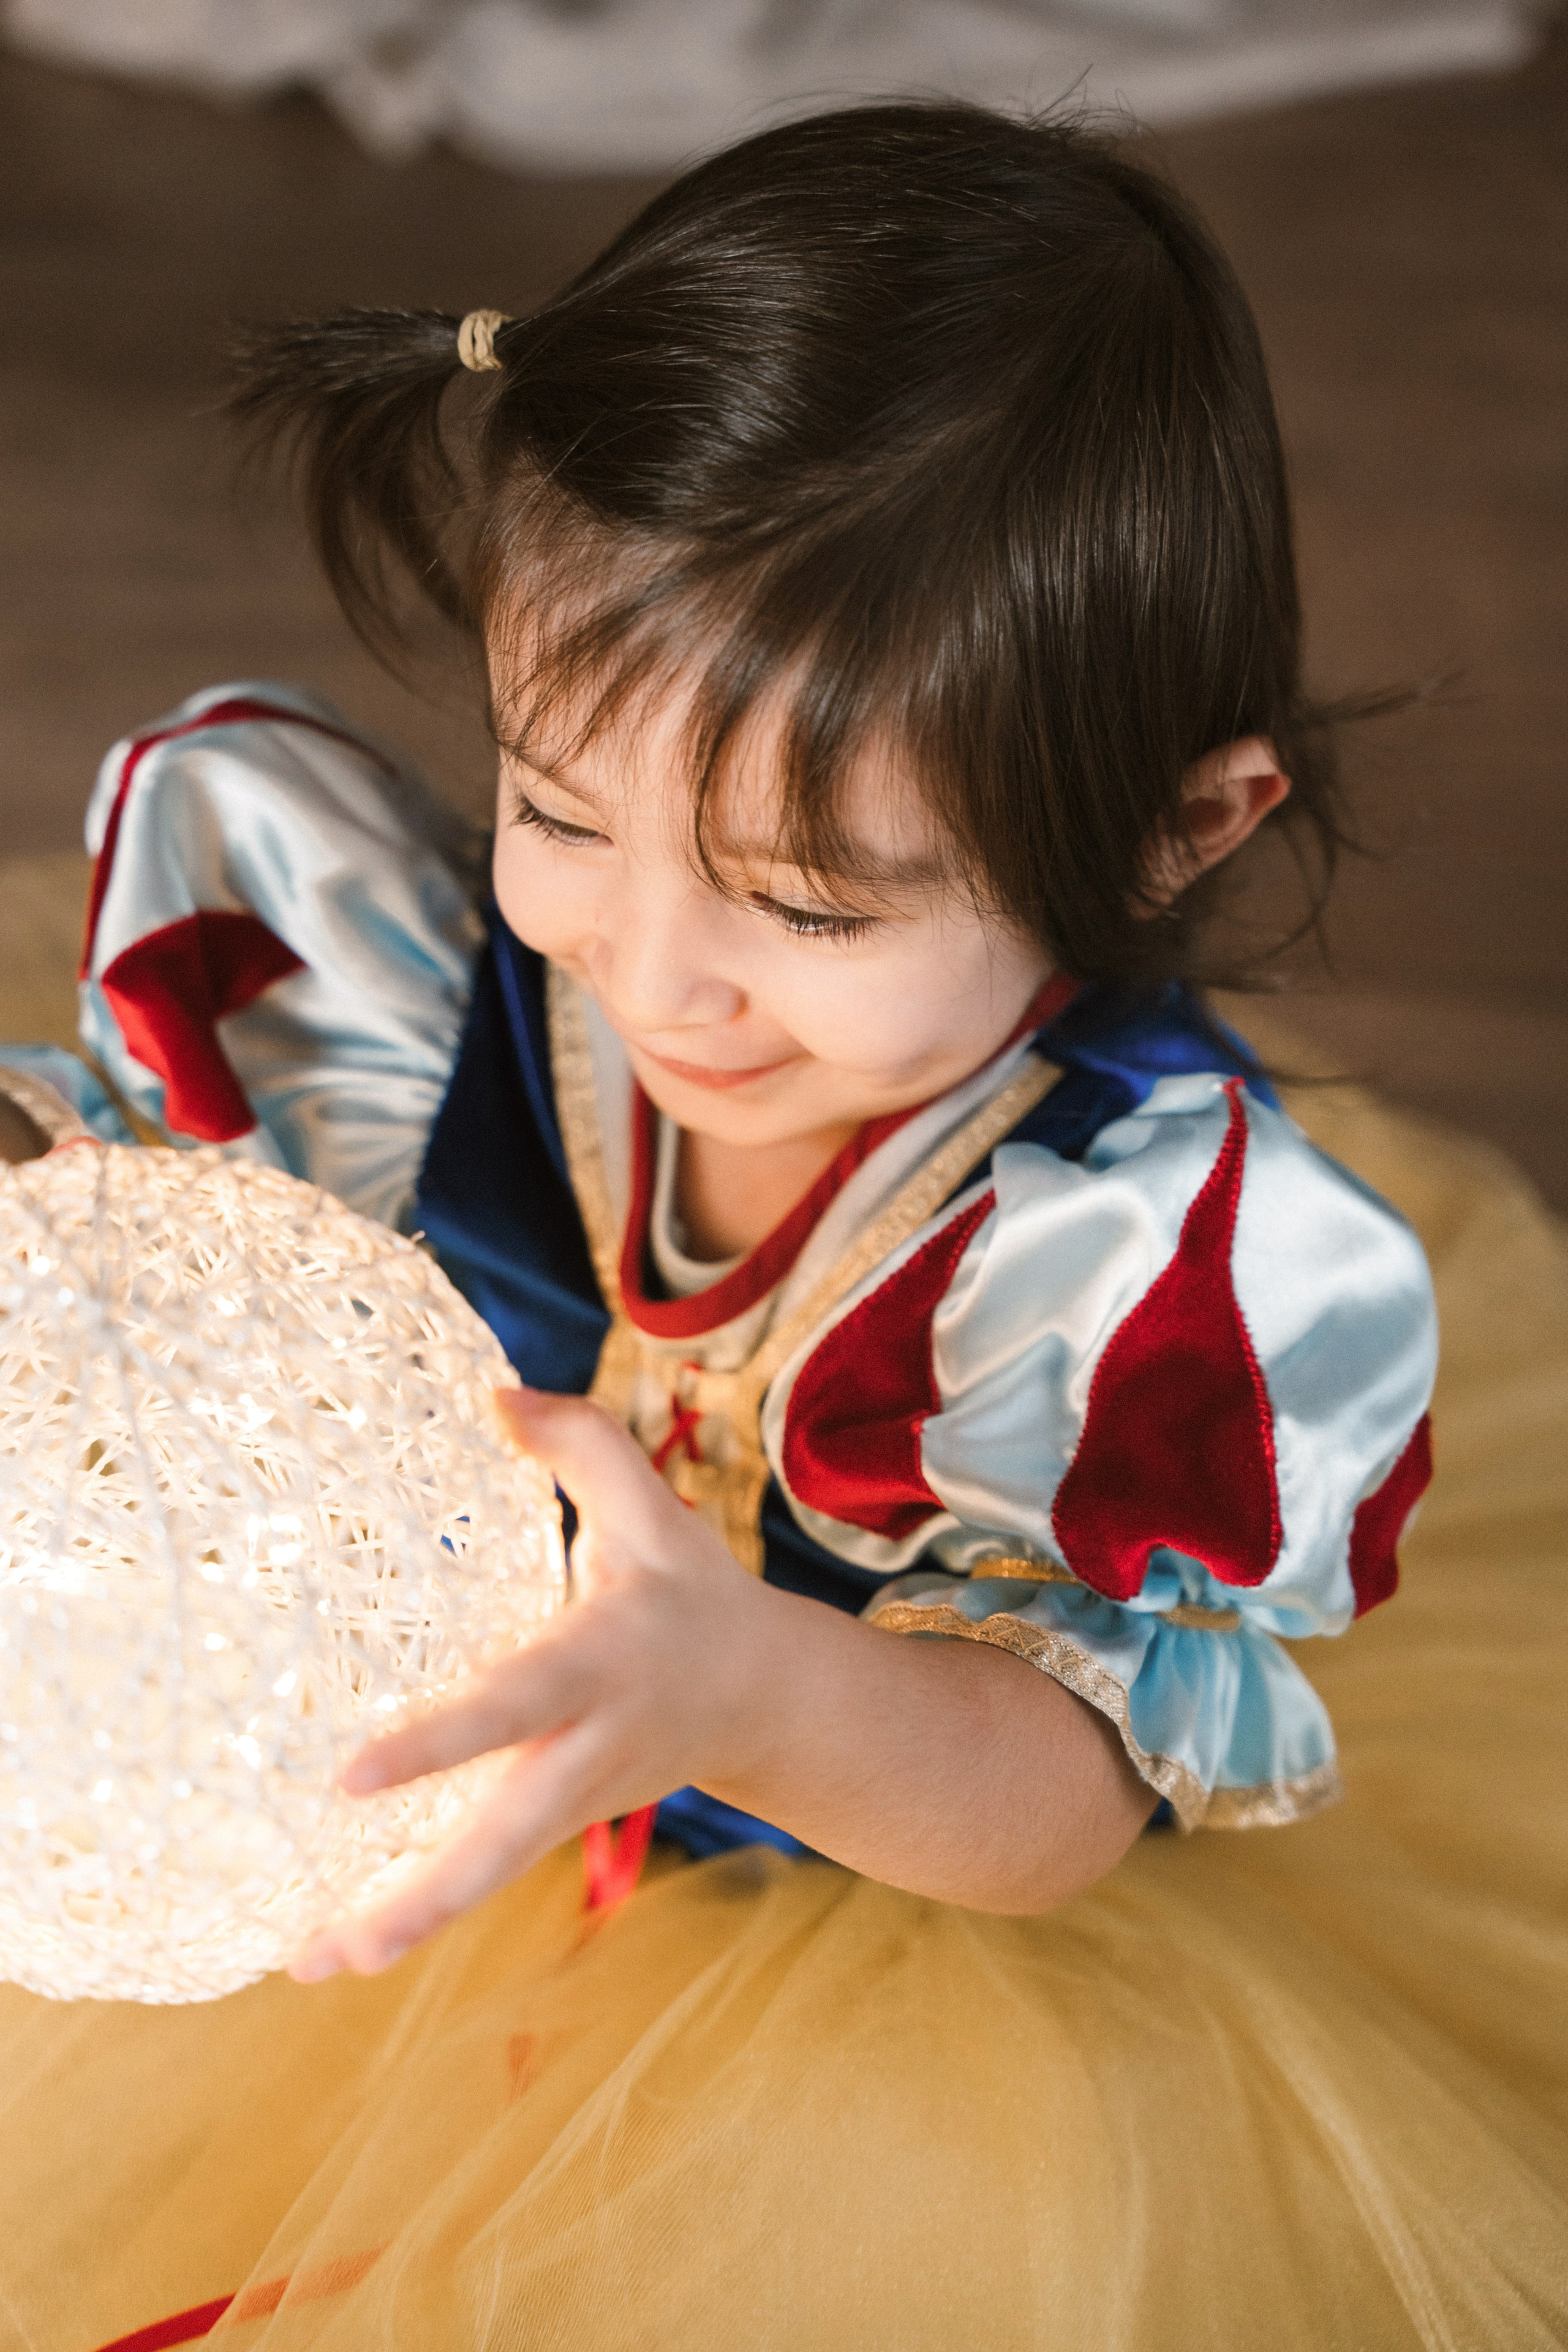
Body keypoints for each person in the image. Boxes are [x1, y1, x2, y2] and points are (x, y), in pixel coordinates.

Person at [1, 101, 1562, 2352]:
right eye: (559, 807)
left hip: (868, 1929)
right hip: (342, 1792)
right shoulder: (407, 996)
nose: (654, 974)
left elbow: (1067, 1811)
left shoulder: (1122, 1276)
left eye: (810, 904)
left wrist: (745, 1692)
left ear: (1172, 832)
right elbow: (166, 1240)